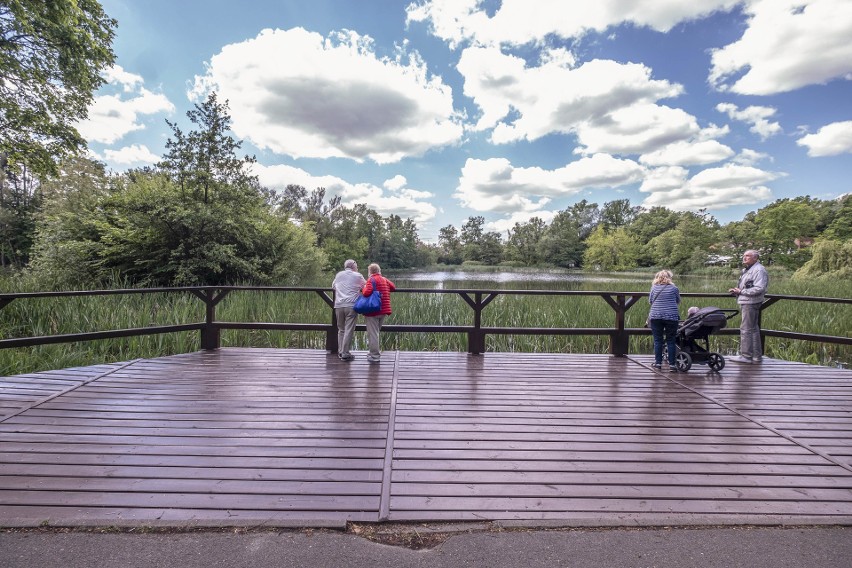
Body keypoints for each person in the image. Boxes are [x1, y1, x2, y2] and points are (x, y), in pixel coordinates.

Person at [728, 249, 769, 363]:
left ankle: (746, 356)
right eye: (744, 255)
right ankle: (756, 356)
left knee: (746, 329)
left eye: (748, 256)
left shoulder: (759, 270)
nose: (744, 258)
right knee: (754, 329)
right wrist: (737, 291)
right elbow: (748, 286)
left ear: (755, 258)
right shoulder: (748, 269)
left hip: (751, 302)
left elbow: (759, 288)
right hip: (748, 301)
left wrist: (741, 292)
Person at [331, 259, 366, 361]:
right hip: (351, 305)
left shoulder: (338, 275)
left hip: (338, 305)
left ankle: (341, 351)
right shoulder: (358, 275)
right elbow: (366, 286)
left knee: (341, 329)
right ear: (353, 266)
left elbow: (333, 286)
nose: (357, 267)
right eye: (357, 266)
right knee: (349, 329)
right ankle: (345, 353)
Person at [361, 263, 395, 363]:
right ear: (379, 270)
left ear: (370, 272)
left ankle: (375, 356)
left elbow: (366, 292)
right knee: (376, 333)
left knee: (373, 334)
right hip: (383, 310)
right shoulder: (384, 279)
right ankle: (373, 353)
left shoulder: (371, 280)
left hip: (373, 311)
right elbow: (393, 287)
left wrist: (363, 288)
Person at [648, 269, 681, 371]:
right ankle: (672, 365)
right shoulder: (674, 288)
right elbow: (678, 301)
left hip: (656, 316)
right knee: (671, 340)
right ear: (669, 278)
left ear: (657, 278)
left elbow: (650, 301)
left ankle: (658, 363)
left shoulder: (654, 288)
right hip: (671, 316)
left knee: (658, 340)